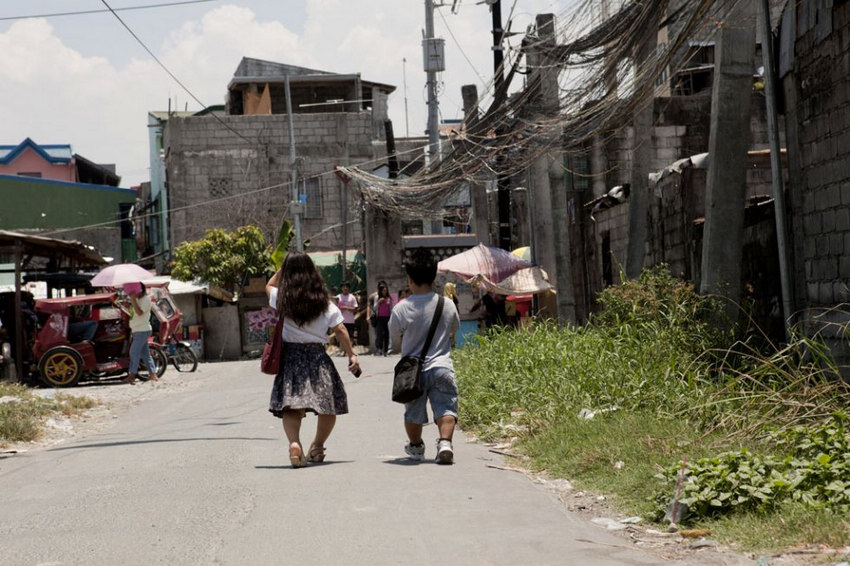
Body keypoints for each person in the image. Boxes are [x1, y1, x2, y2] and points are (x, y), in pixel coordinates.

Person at [265, 252, 361, 468]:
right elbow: (341, 328)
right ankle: (317, 445)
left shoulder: (281, 298)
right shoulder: (324, 303)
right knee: (327, 404)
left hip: (290, 357)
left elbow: (269, 285)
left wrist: (285, 268)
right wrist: (351, 354)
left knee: (291, 405)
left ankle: (294, 444)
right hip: (317, 358)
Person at [389, 248, 460, 465]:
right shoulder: (446, 305)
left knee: (413, 412)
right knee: (446, 406)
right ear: (434, 277)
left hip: (413, 372)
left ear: (409, 279)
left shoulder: (401, 308)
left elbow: (395, 340)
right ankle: (445, 443)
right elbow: (454, 329)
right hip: (442, 366)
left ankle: (417, 446)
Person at [123, 282, 157, 384]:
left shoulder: (146, 299)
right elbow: (134, 315)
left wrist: (133, 300)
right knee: (145, 354)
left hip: (142, 330)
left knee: (133, 352)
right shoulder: (137, 299)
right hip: (137, 330)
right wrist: (128, 305)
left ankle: (132, 376)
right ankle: (153, 374)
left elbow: (140, 312)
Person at [373, 283, 393, 356]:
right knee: (379, 334)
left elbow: (391, 308)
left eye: (385, 290)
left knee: (387, 334)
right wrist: (378, 302)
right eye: (383, 290)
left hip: (387, 318)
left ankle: (386, 350)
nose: (384, 291)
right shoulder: (377, 297)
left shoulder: (389, 298)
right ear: (380, 291)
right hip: (380, 318)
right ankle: (379, 349)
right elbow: (374, 308)